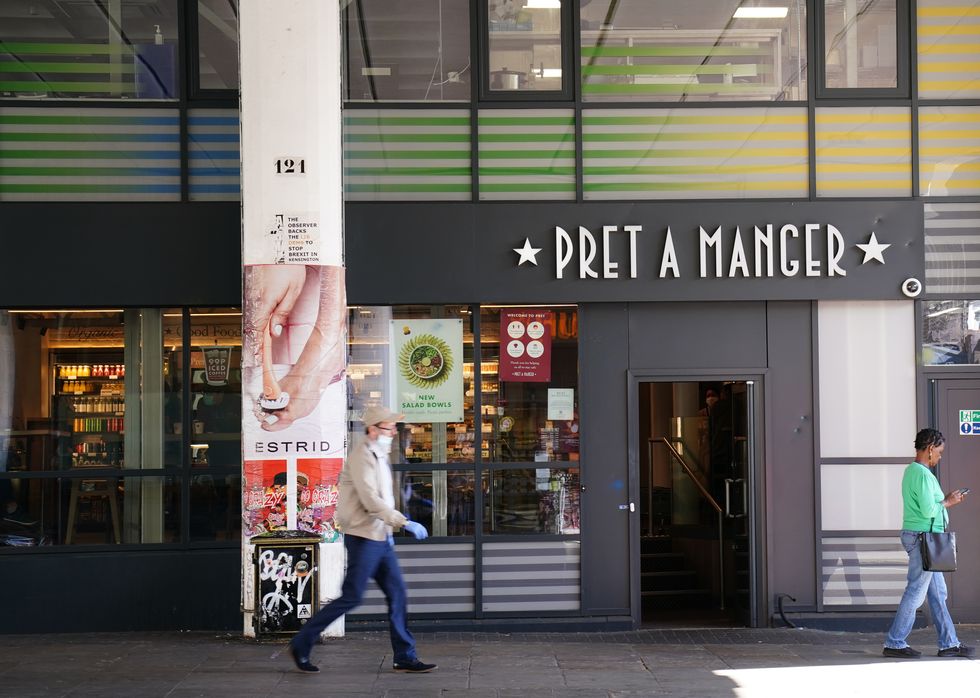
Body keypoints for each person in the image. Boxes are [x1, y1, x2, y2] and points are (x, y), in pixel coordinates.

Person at [287, 405, 437, 674]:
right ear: (373, 429)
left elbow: (385, 497)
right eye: (389, 428)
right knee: (352, 597)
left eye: (393, 428)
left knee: (397, 594)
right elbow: (370, 500)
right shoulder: (361, 457)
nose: (393, 432)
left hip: (380, 537)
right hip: (363, 537)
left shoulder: (380, 455)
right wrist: (405, 522)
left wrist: (397, 522)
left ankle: (404, 656)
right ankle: (302, 641)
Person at [882, 428, 974, 658]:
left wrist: (946, 500)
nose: (940, 457)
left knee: (938, 594)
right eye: (940, 452)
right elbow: (929, 510)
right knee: (915, 591)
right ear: (930, 448)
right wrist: (949, 502)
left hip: (926, 539)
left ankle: (949, 643)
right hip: (923, 540)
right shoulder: (921, 474)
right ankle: (894, 642)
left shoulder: (915, 472)